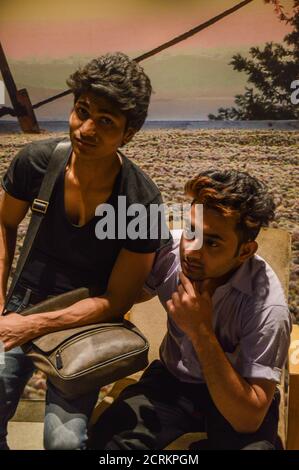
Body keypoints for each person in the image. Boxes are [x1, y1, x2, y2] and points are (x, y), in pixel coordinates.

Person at [0, 52, 170, 450]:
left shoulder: (141, 201)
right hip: (20, 304)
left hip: (85, 323)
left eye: (105, 121)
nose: (85, 128)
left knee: (64, 442)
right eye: (82, 111)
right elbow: (4, 223)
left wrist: (35, 326)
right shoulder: (36, 162)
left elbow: (116, 299)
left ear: (128, 133)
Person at [89, 169, 292, 450]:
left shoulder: (269, 307)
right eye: (191, 231)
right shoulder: (166, 251)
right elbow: (120, 296)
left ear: (245, 251)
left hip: (237, 389)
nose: (192, 251)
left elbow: (248, 419)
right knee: (107, 443)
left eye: (212, 243)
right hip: (171, 381)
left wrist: (200, 329)